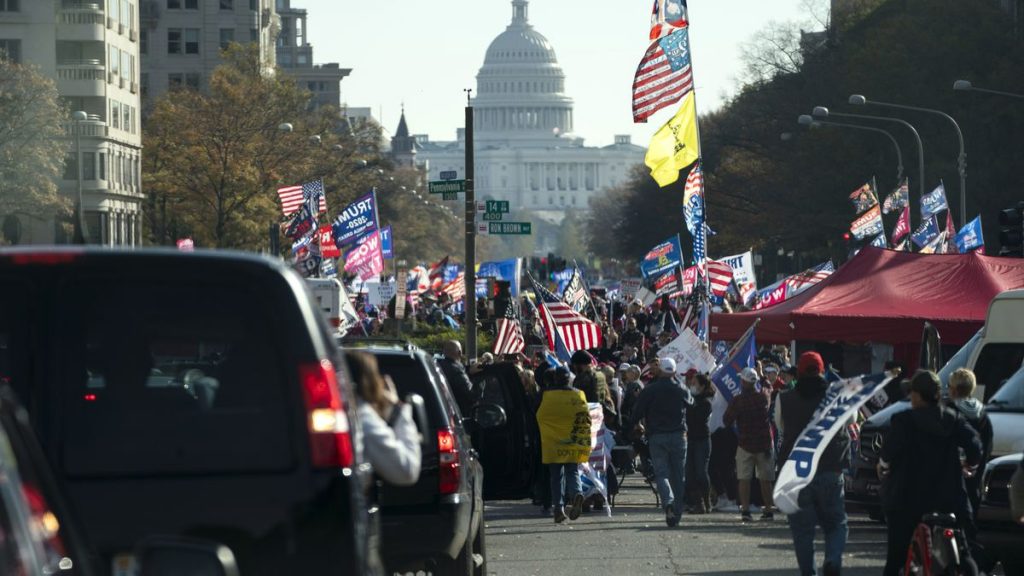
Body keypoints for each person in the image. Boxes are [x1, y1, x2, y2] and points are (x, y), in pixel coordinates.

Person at [878, 370, 982, 576]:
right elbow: (975, 445)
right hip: (949, 498)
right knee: (965, 552)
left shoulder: (904, 420)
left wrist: (883, 465)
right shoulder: (953, 419)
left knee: (896, 559)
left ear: (917, 395)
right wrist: (970, 464)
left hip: (908, 500)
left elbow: (888, 452)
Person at [776, 351, 849, 576]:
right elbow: (851, 421)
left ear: (799, 370)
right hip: (829, 467)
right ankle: (833, 559)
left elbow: (780, 427)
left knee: (802, 531)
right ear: (821, 369)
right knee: (836, 523)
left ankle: (809, 572)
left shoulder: (784, 397)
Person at [630, 357, 693, 527]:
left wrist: (634, 426)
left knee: (661, 473)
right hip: (678, 435)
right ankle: (676, 514)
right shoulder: (681, 388)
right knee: (679, 475)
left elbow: (637, 411)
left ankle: (668, 502)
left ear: (660, 370)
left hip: (657, 436)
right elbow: (692, 405)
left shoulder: (650, 389)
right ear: (673, 371)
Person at [347, 352, 421, 486]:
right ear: (369, 381)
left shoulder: (336, 414)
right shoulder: (364, 420)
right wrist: (398, 409)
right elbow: (408, 470)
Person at [536, 367, 588, 523]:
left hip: (552, 441)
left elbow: (537, 414)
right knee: (572, 470)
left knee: (556, 476)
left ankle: (558, 508)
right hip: (572, 440)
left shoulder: (546, 395)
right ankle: (576, 492)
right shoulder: (578, 394)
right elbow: (585, 416)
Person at [724, 366, 776, 522]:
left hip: (745, 443)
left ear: (744, 382)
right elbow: (768, 388)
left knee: (744, 478)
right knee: (765, 479)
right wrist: (763, 377)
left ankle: (745, 510)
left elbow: (726, 421)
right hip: (764, 444)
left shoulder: (738, 401)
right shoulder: (763, 398)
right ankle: (768, 509)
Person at [947, 368, 993, 518]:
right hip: (974, 480)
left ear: (954, 389)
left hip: (952, 481)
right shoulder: (983, 414)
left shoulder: (949, 412)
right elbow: (986, 448)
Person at [686, 372, 715, 514]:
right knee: (690, 473)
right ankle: (698, 503)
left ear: (702, 386)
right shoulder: (690, 399)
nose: (692, 386)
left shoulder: (706, 403)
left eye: (695, 383)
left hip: (702, 440)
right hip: (690, 439)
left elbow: (697, 419)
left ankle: (707, 500)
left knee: (701, 472)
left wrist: (689, 406)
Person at [438, 340, 476, 415]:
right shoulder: (457, 370)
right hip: (459, 414)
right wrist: (479, 378)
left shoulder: (437, 366)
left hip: (443, 412)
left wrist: (468, 373)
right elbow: (472, 395)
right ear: (460, 353)